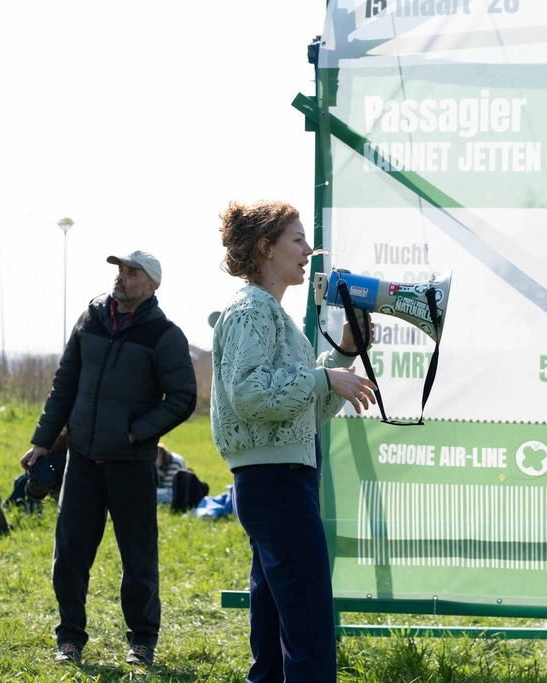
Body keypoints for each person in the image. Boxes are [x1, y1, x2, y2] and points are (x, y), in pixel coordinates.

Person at [211, 199, 378, 682]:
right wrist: (324, 379)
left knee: (274, 629)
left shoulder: (270, 313)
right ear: (266, 248)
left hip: (275, 481)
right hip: (277, 484)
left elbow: (298, 413)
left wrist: (342, 355)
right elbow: (250, 394)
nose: (310, 251)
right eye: (298, 240)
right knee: (309, 627)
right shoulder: (252, 310)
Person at [20, 249, 197, 667]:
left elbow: (183, 398)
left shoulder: (164, 335)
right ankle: (69, 639)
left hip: (131, 464)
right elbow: (65, 382)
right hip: (81, 459)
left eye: (132, 273)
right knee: (70, 554)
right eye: (120, 270)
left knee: (138, 559)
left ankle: (142, 641)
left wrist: (135, 433)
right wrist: (43, 440)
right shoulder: (91, 318)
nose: (121, 277)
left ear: (151, 285)